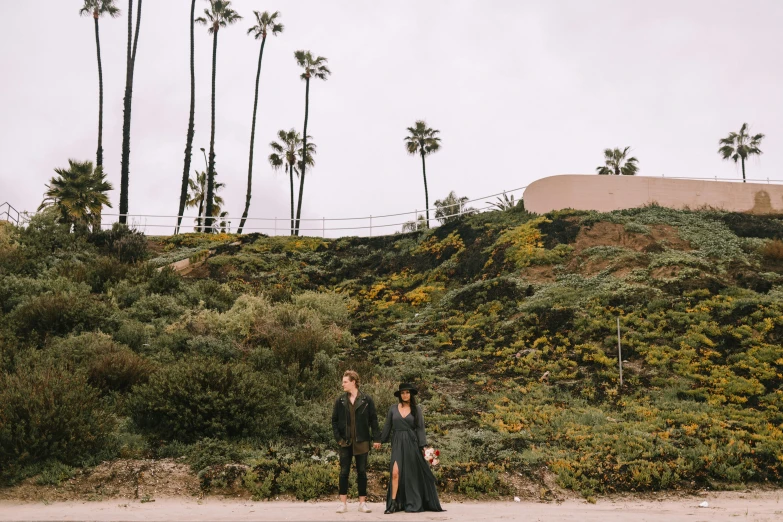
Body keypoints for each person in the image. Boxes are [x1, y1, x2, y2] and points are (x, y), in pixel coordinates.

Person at [379, 383, 443, 514]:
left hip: (412, 442)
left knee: (411, 474)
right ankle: (393, 504)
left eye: (407, 392)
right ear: (400, 395)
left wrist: (423, 446)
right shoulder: (392, 409)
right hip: (397, 442)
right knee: (395, 472)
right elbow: (387, 427)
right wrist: (379, 440)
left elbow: (420, 428)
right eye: (402, 393)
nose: (405, 395)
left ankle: (412, 501)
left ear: (411, 394)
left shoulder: (416, 409)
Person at [331, 370, 381, 514]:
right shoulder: (340, 401)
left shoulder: (367, 399)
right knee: (344, 472)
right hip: (345, 442)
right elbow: (334, 421)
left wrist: (376, 438)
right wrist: (339, 439)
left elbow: (374, 420)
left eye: (345, 381)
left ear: (353, 382)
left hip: (362, 441)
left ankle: (362, 503)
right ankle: (342, 504)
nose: (343, 384)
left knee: (362, 472)